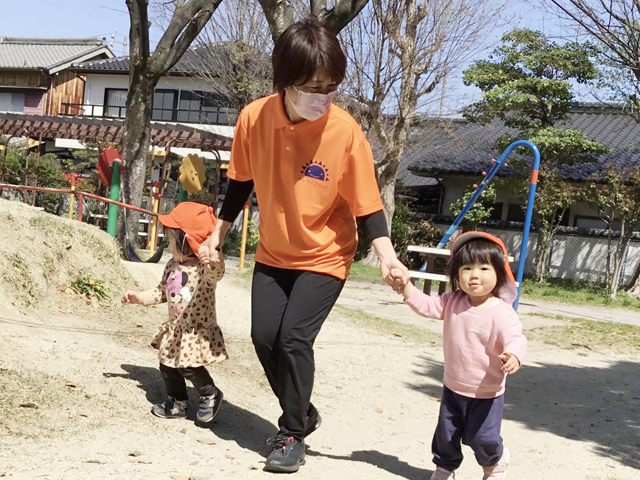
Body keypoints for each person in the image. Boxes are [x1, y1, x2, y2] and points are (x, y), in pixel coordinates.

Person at [198, 16, 410, 473]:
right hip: (275, 250)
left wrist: (387, 254)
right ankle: (304, 411)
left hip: (325, 253)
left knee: (294, 338)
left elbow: (367, 202)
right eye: (313, 87)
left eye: (330, 87)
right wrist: (219, 230)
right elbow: (239, 181)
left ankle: (291, 433)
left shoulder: (345, 131)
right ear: (285, 81)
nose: (323, 97)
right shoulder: (253, 118)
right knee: (263, 336)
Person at [401, 231, 527, 480]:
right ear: (457, 273)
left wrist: (514, 354)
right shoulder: (453, 300)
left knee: (482, 438)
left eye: (484, 268)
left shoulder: (502, 313)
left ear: (499, 274)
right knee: (446, 435)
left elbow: (516, 338)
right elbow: (427, 305)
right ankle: (445, 467)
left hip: (487, 392)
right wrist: (405, 286)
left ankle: (495, 461)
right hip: (453, 386)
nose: (474, 275)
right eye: (467, 268)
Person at [122, 201, 227, 425]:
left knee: (189, 366)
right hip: (175, 326)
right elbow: (163, 291)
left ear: (187, 242)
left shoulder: (203, 269)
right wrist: (139, 297)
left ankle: (210, 394)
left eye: (170, 241)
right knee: (167, 363)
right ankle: (177, 401)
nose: (168, 246)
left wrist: (215, 258)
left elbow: (216, 274)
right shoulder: (172, 265)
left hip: (195, 330)